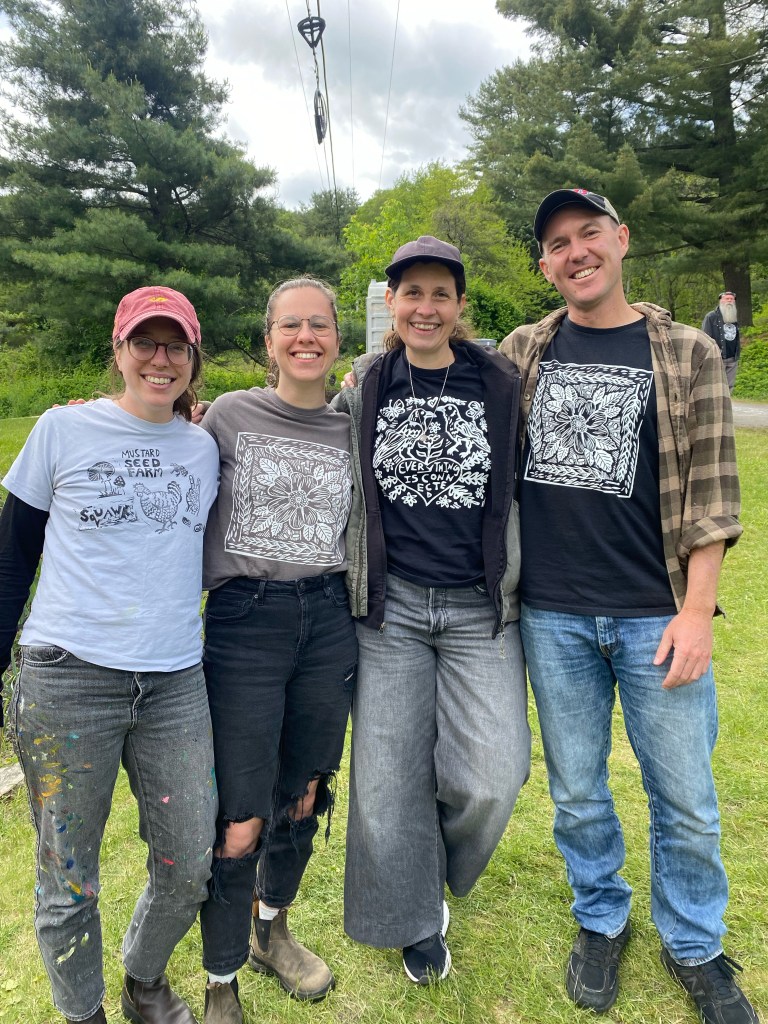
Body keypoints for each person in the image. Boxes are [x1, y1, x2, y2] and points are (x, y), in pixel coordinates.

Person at [500, 189, 756, 1023]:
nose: (576, 252)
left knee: (686, 799)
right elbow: (442, 386)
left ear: (621, 240)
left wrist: (698, 612)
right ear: (545, 264)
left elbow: (714, 494)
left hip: (656, 612)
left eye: (589, 235)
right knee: (577, 791)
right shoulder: (523, 350)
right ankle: (601, 917)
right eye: (558, 244)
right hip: (552, 615)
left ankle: (695, 944)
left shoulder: (686, 353)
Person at [0, 286, 220, 1024]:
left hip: (174, 683)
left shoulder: (203, 447)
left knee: (189, 860)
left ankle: (142, 977)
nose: (160, 359)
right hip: (68, 680)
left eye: (175, 345)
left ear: (192, 358)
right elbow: (12, 557)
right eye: (144, 343)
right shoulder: (61, 430)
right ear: (119, 350)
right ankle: (83, 1012)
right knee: (69, 876)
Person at [335, 236, 530, 985]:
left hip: (481, 609)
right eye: (411, 293)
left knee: (493, 775)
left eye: (439, 294)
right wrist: (169, 415)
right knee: (386, 786)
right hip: (392, 612)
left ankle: (432, 866)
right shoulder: (366, 383)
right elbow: (297, 417)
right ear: (391, 302)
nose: (425, 307)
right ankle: (418, 917)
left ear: (459, 305)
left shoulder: (501, 381)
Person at [198, 279, 358, 1024]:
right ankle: (220, 972)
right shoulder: (228, 416)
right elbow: (159, 450)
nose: (305, 337)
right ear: (269, 341)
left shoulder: (353, 424)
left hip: (327, 618)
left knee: (304, 792)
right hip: (245, 623)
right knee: (240, 813)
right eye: (290, 325)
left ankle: (272, 930)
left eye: (318, 325)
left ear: (337, 338)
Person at [701, 291, 741, 393]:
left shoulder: (735, 316)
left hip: (732, 358)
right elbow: (705, 338)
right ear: (721, 300)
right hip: (717, 357)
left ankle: (727, 403)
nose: (729, 301)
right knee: (716, 384)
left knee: (729, 385)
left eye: (731, 299)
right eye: (727, 299)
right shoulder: (711, 317)